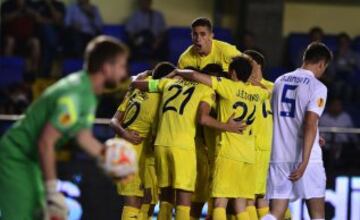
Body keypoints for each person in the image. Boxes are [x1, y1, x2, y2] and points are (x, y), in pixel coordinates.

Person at [0, 36, 129, 220]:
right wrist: (52, 191)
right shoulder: (75, 96)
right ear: (107, 67)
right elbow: (46, 142)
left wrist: (113, 161)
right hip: (16, 157)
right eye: (122, 66)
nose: (124, 73)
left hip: (30, 160)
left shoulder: (88, 92)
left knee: (37, 215)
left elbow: (83, 137)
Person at [131, 66, 246, 220]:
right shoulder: (206, 89)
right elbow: (203, 119)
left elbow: (136, 84)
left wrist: (142, 74)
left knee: (166, 198)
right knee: (184, 202)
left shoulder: (168, 83)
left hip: (161, 144)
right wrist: (228, 126)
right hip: (182, 147)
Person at [175, 55, 270, 220]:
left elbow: (195, 75)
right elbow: (269, 91)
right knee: (242, 205)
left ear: (232, 73)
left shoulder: (227, 87)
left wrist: (178, 71)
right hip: (248, 155)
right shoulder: (259, 93)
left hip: (229, 153)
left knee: (220, 203)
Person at [263, 42, 333, 220]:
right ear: (321, 64)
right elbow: (310, 123)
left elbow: (279, 118)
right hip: (307, 160)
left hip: (278, 155)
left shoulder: (279, 81)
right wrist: (304, 160)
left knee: (276, 213)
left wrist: (315, 136)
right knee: (317, 215)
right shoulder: (318, 87)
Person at [110, 62, 176, 220]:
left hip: (129, 147)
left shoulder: (135, 90)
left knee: (147, 197)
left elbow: (113, 121)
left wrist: (124, 133)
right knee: (133, 201)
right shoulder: (161, 97)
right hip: (131, 148)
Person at [0, 0, 41, 78]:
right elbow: (4, 19)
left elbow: (38, 18)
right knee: (10, 41)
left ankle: (33, 72)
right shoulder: (6, 5)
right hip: (12, 36)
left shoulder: (31, 5)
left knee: (36, 42)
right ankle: (9, 70)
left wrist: (29, 11)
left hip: (28, 38)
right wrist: (18, 12)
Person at [34, 0, 66, 77]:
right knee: (46, 29)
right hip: (40, 35)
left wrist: (50, 5)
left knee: (48, 48)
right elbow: (37, 19)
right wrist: (50, 22)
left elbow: (58, 20)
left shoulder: (59, 5)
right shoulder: (37, 5)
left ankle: (44, 76)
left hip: (57, 35)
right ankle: (56, 48)